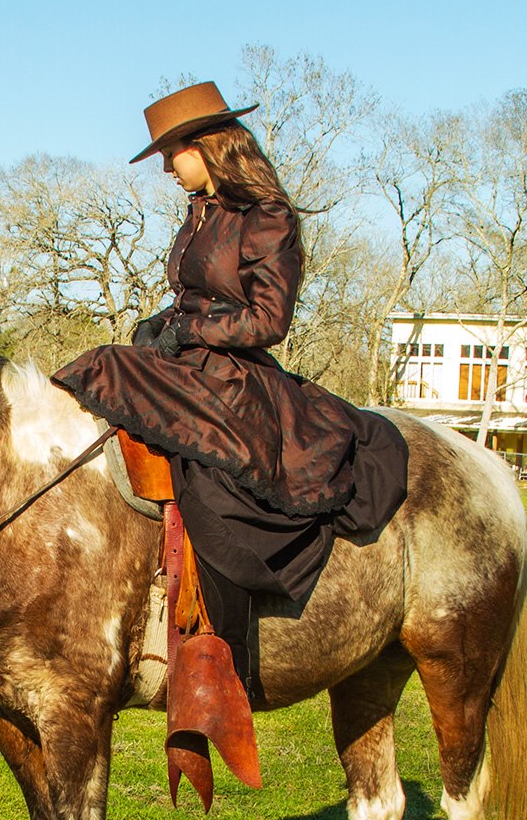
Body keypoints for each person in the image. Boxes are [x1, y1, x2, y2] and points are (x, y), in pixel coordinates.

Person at [52, 82, 409, 700]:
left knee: (208, 481)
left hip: (236, 379)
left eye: (172, 153)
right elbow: (193, 296)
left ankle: (223, 651)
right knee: (101, 368)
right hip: (188, 362)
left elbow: (269, 319)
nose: (166, 167)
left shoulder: (268, 219)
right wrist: (163, 325)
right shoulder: (200, 212)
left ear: (209, 146)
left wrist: (191, 328)